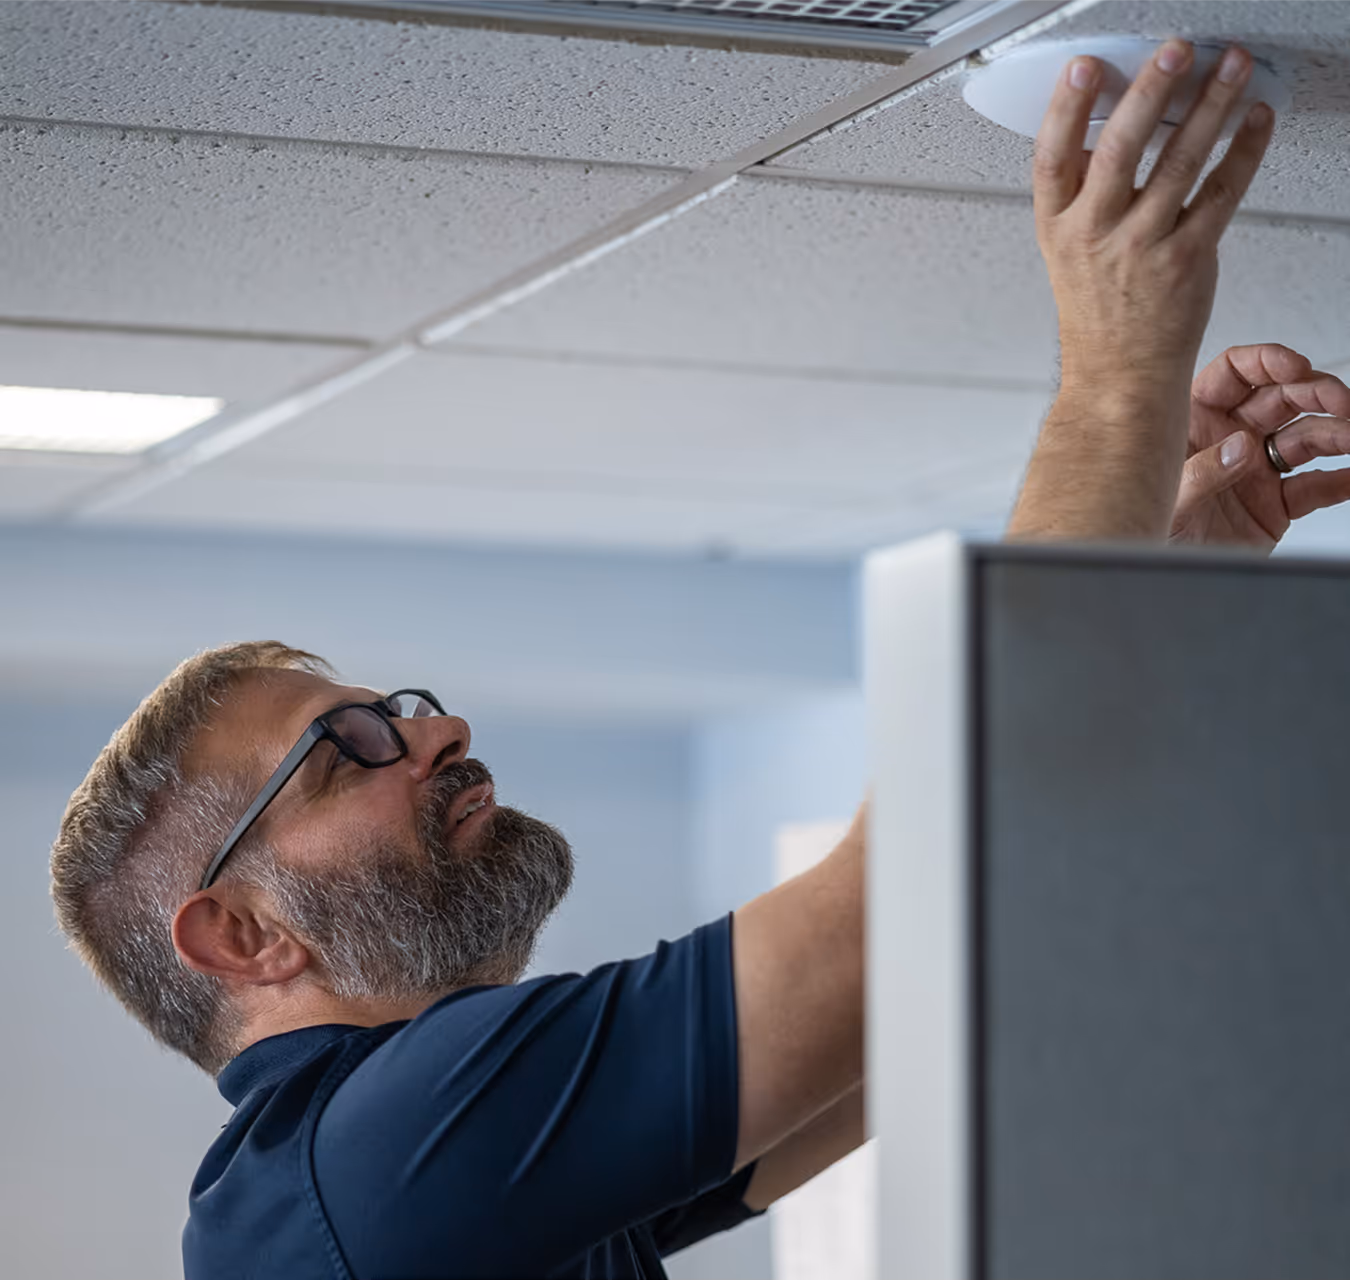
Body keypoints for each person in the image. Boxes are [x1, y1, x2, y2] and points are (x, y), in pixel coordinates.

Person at [48, 41, 1350, 1281]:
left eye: (405, 710)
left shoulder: (410, 1185)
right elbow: (904, 899)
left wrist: (1162, 558)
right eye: (349, 752)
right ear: (239, 933)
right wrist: (1113, 377)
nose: (435, 736)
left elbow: (934, 979)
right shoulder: (382, 1158)